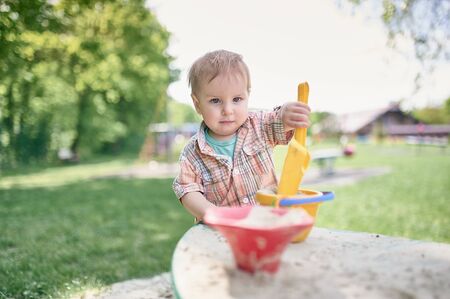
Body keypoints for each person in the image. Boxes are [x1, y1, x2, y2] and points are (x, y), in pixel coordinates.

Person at [172, 50, 311, 220]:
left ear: (247, 96)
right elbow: (187, 190)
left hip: (267, 222)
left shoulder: (260, 126)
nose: (228, 110)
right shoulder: (192, 154)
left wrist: (286, 114)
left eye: (237, 99)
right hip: (223, 233)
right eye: (215, 101)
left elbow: (279, 121)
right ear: (197, 104)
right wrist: (213, 214)